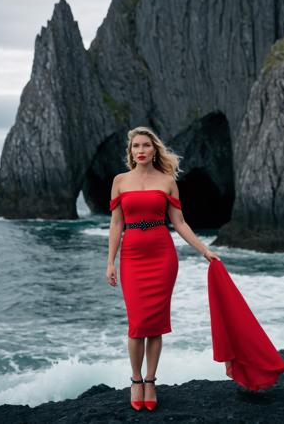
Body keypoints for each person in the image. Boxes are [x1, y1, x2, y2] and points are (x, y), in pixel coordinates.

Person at [106, 126, 220, 412]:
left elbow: (179, 223)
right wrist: (110, 262)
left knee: (155, 324)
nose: (141, 150)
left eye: (146, 145)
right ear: (130, 151)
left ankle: (151, 381)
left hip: (162, 256)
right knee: (137, 325)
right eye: (136, 146)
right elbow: (116, 224)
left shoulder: (168, 181)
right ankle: (135, 381)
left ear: (154, 149)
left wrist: (204, 250)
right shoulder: (120, 181)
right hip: (132, 257)